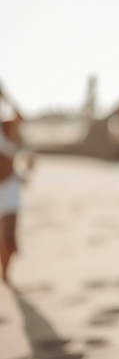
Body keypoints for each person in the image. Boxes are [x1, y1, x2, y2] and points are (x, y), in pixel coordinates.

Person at [0, 84, 33, 284]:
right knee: (2, 238)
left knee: (9, 237)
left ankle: (5, 274)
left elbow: (21, 117)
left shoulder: (7, 126)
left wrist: (5, 95)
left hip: (10, 188)